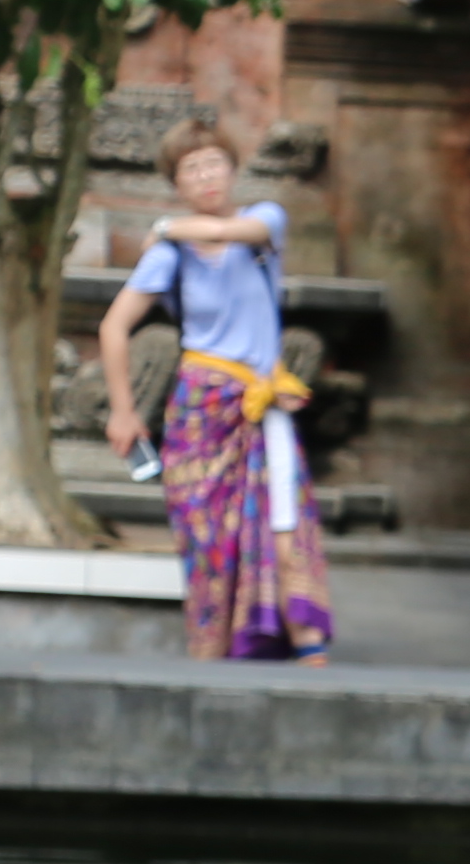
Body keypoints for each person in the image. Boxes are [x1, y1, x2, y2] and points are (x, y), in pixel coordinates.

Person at [94, 122, 329, 664]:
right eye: (190, 169)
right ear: (176, 180)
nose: (205, 176)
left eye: (213, 163)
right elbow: (113, 327)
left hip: (261, 403)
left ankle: (310, 652)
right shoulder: (169, 256)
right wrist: (124, 411)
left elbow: (238, 234)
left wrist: (168, 224)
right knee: (206, 538)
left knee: (285, 524)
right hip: (201, 410)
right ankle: (211, 656)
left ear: (232, 167)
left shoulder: (264, 221)